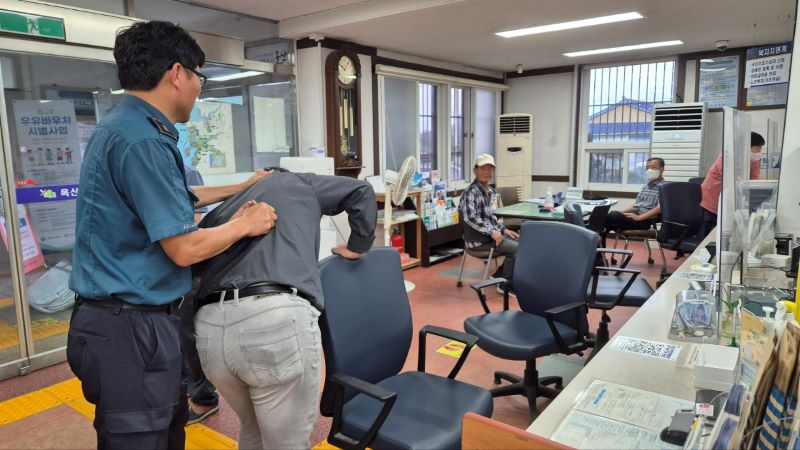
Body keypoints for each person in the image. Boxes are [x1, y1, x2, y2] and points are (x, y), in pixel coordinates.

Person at [67, 21, 276, 450]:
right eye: (200, 76)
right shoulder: (143, 140)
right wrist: (244, 225)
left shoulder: (123, 126)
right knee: (142, 439)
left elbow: (173, 197)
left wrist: (242, 186)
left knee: (163, 432)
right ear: (178, 73)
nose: (199, 88)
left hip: (122, 323)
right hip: (130, 328)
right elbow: (184, 249)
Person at [193, 169, 376, 449]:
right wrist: (358, 246)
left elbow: (193, 265)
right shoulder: (300, 181)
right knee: (287, 443)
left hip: (210, 332)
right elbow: (361, 191)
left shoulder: (222, 212)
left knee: (253, 427)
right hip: (273, 318)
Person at [179, 163, 219, 425]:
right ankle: (185, 390)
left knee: (189, 338)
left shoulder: (187, 171)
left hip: (187, 270)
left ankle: (205, 398)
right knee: (177, 339)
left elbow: (195, 223)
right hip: (165, 273)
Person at [458, 153, 519, 293]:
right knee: (518, 248)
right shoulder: (471, 192)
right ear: (475, 170)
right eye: (483, 168)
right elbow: (470, 218)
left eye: (489, 169)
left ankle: (498, 276)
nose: (486, 172)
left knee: (520, 241)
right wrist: (492, 232)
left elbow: (490, 217)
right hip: (478, 241)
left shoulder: (489, 191)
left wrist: (503, 230)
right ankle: (505, 286)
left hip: (488, 237)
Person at [700, 132, 766, 234]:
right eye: (757, 148)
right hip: (713, 194)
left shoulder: (755, 159)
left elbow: (754, 178)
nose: (759, 152)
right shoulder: (728, 156)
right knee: (710, 227)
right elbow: (728, 178)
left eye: (760, 148)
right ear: (746, 146)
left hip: (732, 196)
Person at [605, 157, 666, 233]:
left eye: (653, 167)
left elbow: (660, 208)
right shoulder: (646, 186)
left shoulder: (664, 187)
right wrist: (623, 212)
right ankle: (599, 238)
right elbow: (637, 203)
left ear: (661, 170)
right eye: (647, 168)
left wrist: (639, 217)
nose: (649, 170)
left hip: (644, 221)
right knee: (604, 217)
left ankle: (599, 235)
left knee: (613, 216)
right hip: (634, 216)